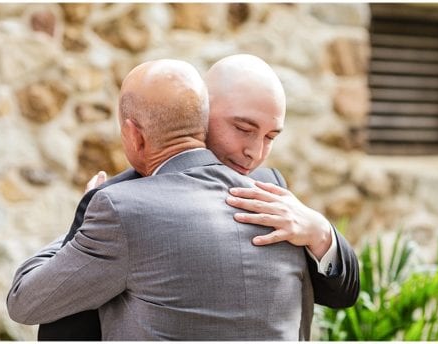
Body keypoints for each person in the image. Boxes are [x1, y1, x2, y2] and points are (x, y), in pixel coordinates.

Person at [32, 55, 359, 340]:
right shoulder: (115, 201)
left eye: (271, 137)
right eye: (243, 129)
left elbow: (343, 294)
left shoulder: (269, 189)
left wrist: (320, 232)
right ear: (200, 109)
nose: (255, 152)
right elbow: (63, 323)